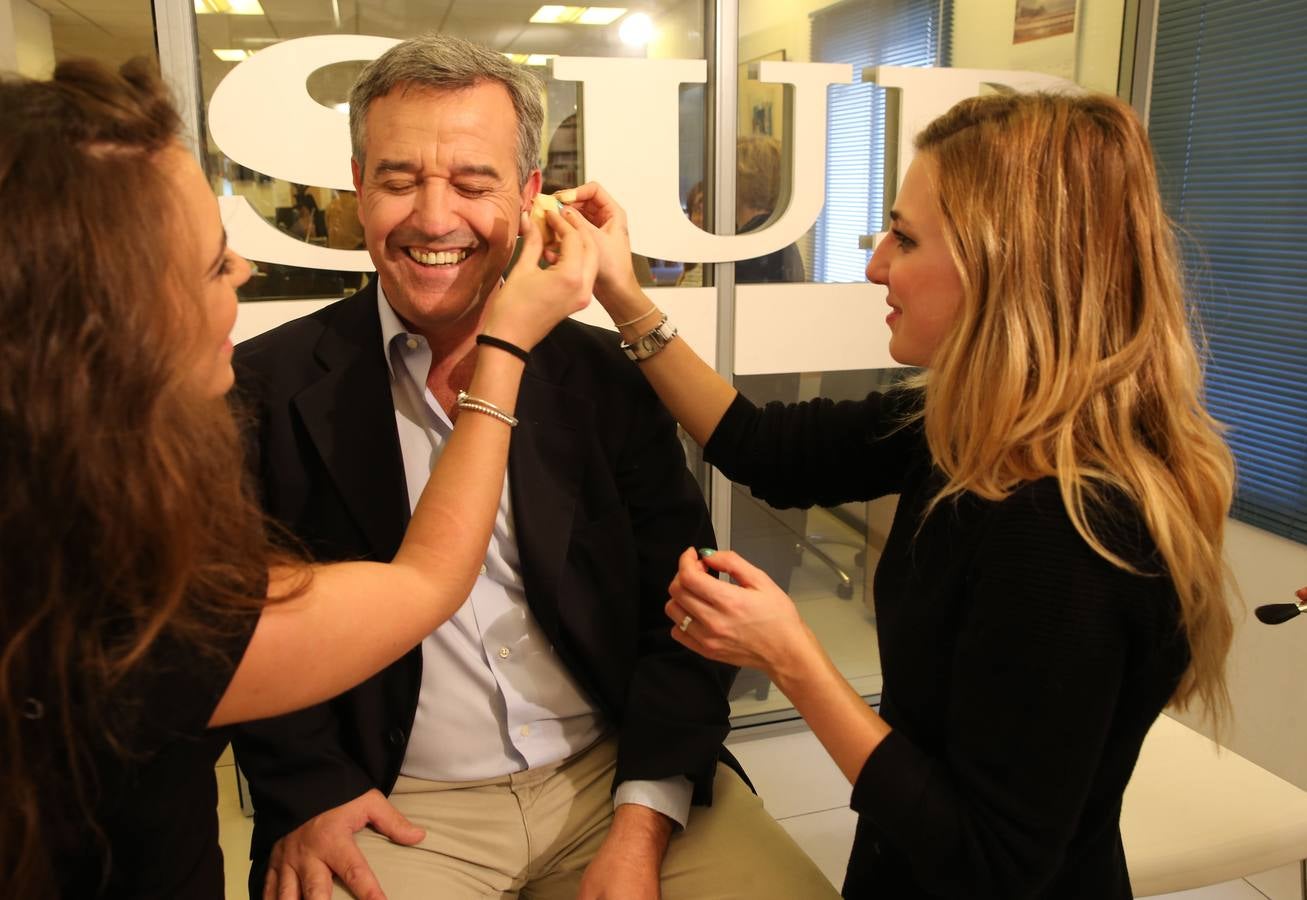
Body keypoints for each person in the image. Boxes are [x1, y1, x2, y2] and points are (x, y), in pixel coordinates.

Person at [562, 90, 1237, 898]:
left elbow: (988, 866)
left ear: (1006, 267)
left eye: (904, 239)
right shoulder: (967, 426)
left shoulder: (1064, 529)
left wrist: (791, 656)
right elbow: (761, 445)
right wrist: (621, 291)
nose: (876, 263)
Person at [230, 33, 832, 900]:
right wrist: (311, 792)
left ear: (527, 196)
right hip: (393, 802)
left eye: (473, 184)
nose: (434, 218)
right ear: (357, 188)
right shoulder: (265, 385)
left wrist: (640, 819)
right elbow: (241, 627)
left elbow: (689, 612)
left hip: (613, 777)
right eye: (400, 180)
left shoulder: (601, 379)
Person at [0, 58, 597, 899]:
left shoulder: (85, 485)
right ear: (107, 320)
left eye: (471, 180)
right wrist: (506, 353)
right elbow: (420, 583)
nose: (243, 273)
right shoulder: (113, 588)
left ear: (529, 193)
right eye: (213, 266)